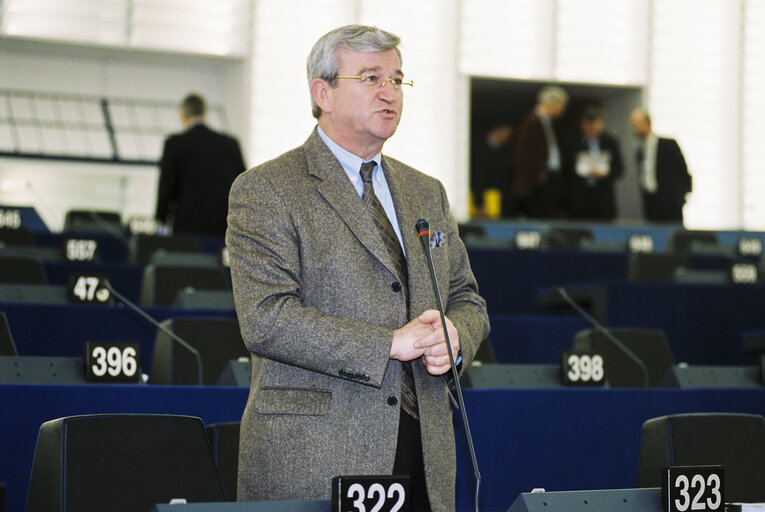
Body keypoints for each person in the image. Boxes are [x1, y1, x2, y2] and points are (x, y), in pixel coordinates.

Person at [226, 25, 489, 512]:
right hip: (317, 450)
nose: (389, 92)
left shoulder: (425, 191)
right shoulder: (266, 188)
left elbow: (466, 297)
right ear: (322, 92)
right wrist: (390, 343)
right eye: (371, 78)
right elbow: (265, 318)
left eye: (397, 79)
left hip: (424, 446)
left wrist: (457, 337)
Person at [155, 93, 246, 237]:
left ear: (183, 115)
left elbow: (166, 187)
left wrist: (160, 220)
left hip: (186, 226)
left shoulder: (175, 144)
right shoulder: (230, 145)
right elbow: (242, 187)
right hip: (222, 226)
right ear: (205, 113)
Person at [512, 85, 569, 218]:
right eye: (561, 105)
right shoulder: (532, 121)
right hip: (537, 181)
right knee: (539, 214)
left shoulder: (549, 123)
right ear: (552, 103)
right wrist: (538, 172)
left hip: (548, 178)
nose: (562, 110)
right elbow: (523, 152)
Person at [629, 108, 692, 223]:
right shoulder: (639, 151)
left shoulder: (668, 145)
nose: (635, 129)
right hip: (651, 203)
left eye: (637, 125)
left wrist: (682, 197)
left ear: (647, 123)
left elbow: (683, 171)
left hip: (670, 203)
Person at [563, 106, 624, 220]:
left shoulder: (610, 142)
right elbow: (565, 168)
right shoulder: (572, 141)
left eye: (594, 123)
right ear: (582, 124)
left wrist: (604, 174)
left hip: (603, 199)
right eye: (588, 124)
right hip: (579, 199)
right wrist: (576, 161)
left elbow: (619, 169)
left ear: (601, 124)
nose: (591, 128)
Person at [470, 123, 514, 217]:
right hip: (486, 198)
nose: (508, 137)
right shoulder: (481, 148)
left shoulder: (499, 149)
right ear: (498, 131)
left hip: (494, 198)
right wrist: (480, 203)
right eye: (507, 133)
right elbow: (478, 175)